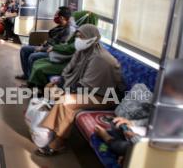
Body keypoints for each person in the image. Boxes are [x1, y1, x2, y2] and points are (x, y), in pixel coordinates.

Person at [35, 24, 125, 156]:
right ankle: (51, 130)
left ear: (91, 38)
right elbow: (69, 70)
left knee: (66, 102)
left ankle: (59, 141)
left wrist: (65, 91)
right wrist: (60, 82)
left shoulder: (99, 59)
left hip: (105, 96)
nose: (78, 39)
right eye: (77, 36)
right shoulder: (82, 52)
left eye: (81, 36)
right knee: (50, 88)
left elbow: (86, 87)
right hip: (88, 91)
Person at [17, 7, 76, 81]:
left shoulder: (68, 31)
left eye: (56, 15)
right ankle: (27, 74)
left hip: (54, 53)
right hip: (47, 47)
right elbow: (52, 40)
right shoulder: (61, 26)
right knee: (24, 49)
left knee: (32, 56)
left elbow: (60, 47)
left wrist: (42, 49)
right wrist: (43, 45)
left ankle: (30, 80)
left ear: (62, 18)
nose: (54, 17)